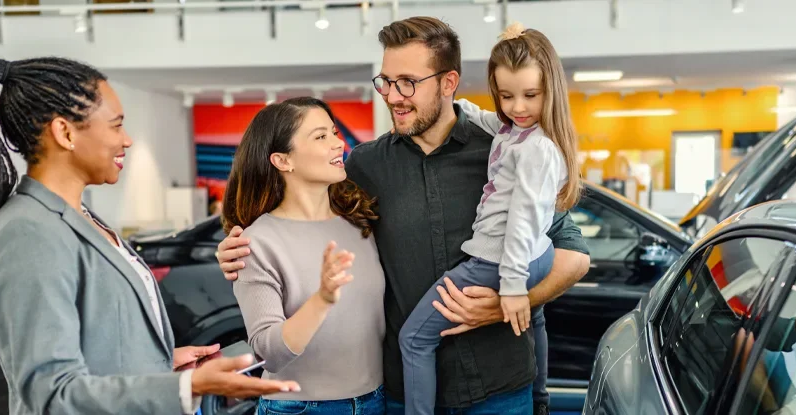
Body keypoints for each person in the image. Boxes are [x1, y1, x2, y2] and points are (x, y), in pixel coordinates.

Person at [217, 16, 591, 415]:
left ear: (448, 83)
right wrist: (236, 245)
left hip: (498, 389)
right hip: (400, 394)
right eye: (386, 82)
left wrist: (506, 303)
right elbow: (302, 212)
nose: (393, 96)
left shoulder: (503, 151)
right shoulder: (363, 166)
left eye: (408, 83)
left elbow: (572, 255)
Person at [0, 57, 299, 415]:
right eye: (116, 125)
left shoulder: (81, 218)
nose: (127, 140)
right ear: (65, 132)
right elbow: (51, 395)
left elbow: (99, 348)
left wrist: (160, 364)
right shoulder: (27, 233)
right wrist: (185, 388)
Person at [398, 22, 580, 415]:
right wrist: (458, 106)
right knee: (535, 316)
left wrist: (512, 287)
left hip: (498, 257)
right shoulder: (518, 132)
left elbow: (524, 221)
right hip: (539, 253)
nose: (517, 107)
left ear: (552, 90)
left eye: (531, 95)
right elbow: (492, 122)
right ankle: (541, 397)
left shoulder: (536, 151)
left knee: (413, 339)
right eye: (506, 95)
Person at [221, 97, 387, 414]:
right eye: (321, 136)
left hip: (375, 401)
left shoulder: (360, 224)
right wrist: (322, 299)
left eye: (335, 133)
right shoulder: (256, 242)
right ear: (283, 161)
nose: (338, 144)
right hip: (301, 408)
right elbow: (268, 353)